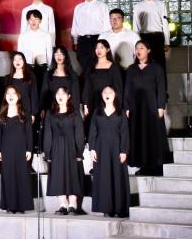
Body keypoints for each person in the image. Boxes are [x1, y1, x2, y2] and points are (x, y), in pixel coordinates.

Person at [125, 41, 168, 176]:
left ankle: (155, 165)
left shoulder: (156, 68)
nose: (138, 51)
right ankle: (142, 164)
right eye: (136, 48)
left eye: (141, 48)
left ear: (148, 50)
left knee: (153, 135)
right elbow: (127, 89)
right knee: (139, 135)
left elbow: (161, 88)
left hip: (151, 106)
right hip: (136, 107)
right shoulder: (131, 69)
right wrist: (127, 107)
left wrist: (160, 106)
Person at [88, 86, 130, 218]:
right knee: (104, 177)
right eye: (104, 92)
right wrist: (92, 148)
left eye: (110, 92)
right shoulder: (97, 112)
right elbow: (93, 131)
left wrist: (123, 151)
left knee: (117, 177)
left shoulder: (120, 112)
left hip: (116, 148)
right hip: (101, 148)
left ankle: (118, 208)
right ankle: (106, 208)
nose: (107, 94)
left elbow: (124, 133)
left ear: (115, 95)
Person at [42, 86, 85, 215]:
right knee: (57, 175)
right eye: (58, 93)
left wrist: (79, 151)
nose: (60, 96)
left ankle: (72, 204)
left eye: (63, 93)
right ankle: (63, 205)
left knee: (72, 175)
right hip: (56, 148)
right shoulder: (50, 113)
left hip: (71, 147)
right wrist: (47, 152)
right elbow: (48, 133)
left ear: (69, 96)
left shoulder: (75, 113)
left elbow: (79, 133)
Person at [0, 85, 33, 214]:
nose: (10, 96)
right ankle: (10, 205)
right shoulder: (1, 114)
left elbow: (29, 133)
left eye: (13, 93)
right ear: (5, 97)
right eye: (8, 93)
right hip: (6, 149)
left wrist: (29, 149)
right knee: (8, 176)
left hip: (21, 148)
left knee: (21, 176)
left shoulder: (24, 113)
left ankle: (21, 205)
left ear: (18, 96)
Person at [71, 0, 110, 76]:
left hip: (97, 39)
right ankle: (87, 83)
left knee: (97, 64)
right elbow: (75, 26)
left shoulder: (102, 6)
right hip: (83, 40)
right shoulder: (78, 7)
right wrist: (75, 42)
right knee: (84, 65)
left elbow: (107, 26)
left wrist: (103, 42)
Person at [4, 51, 40, 149]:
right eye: (15, 59)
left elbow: (34, 95)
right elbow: (5, 98)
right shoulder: (8, 78)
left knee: (26, 137)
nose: (17, 61)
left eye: (20, 59)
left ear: (24, 61)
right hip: (12, 112)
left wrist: (33, 114)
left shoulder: (30, 77)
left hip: (26, 111)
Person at [132, 0, 170, 71]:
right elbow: (135, 25)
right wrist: (135, 42)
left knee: (159, 63)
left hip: (157, 37)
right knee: (144, 63)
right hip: (143, 37)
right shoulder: (138, 6)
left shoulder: (161, 5)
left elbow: (165, 23)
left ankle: (161, 80)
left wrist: (167, 42)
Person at [40, 46, 81, 124]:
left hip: (68, 111)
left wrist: (76, 112)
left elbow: (76, 95)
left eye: (61, 54)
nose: (59, 56)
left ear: (65, 56)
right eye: (56, 54)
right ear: (53, 56)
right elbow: (44, 93)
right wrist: (43, 108)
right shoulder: (48, 74)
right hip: (51, 111)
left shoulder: (72, 75)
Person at [17, 9, 53, 78]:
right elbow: (20, 52)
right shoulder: (23, 35)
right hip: (27, 65)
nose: (33, 21)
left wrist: (49, 66)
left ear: (40, 21)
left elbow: (49, 52)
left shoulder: (46, 35)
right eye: (31, 19)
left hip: (42, 66)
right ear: (28, 21)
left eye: (36, 19)